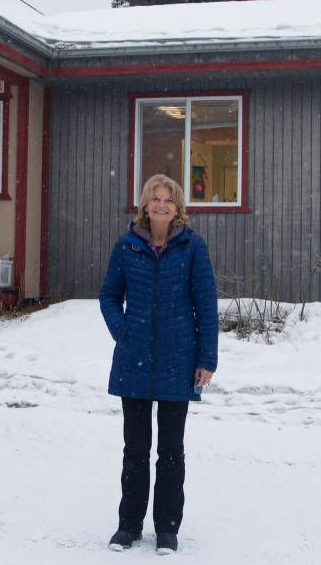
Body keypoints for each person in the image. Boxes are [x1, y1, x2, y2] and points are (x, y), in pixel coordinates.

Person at [99, 174, 219, 555]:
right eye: (156, 199)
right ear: (145, 205)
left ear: (177, 205)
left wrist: (206, 358)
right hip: (133, 362)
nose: (162, 205)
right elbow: (108, 295)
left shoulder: (192, 247)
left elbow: (206, 306)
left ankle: (167, 529)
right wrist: (123, 330)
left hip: (178, 361)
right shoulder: (127, 245)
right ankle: (128, 526)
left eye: (169, 199)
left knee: (171, 451)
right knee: (134, 450)